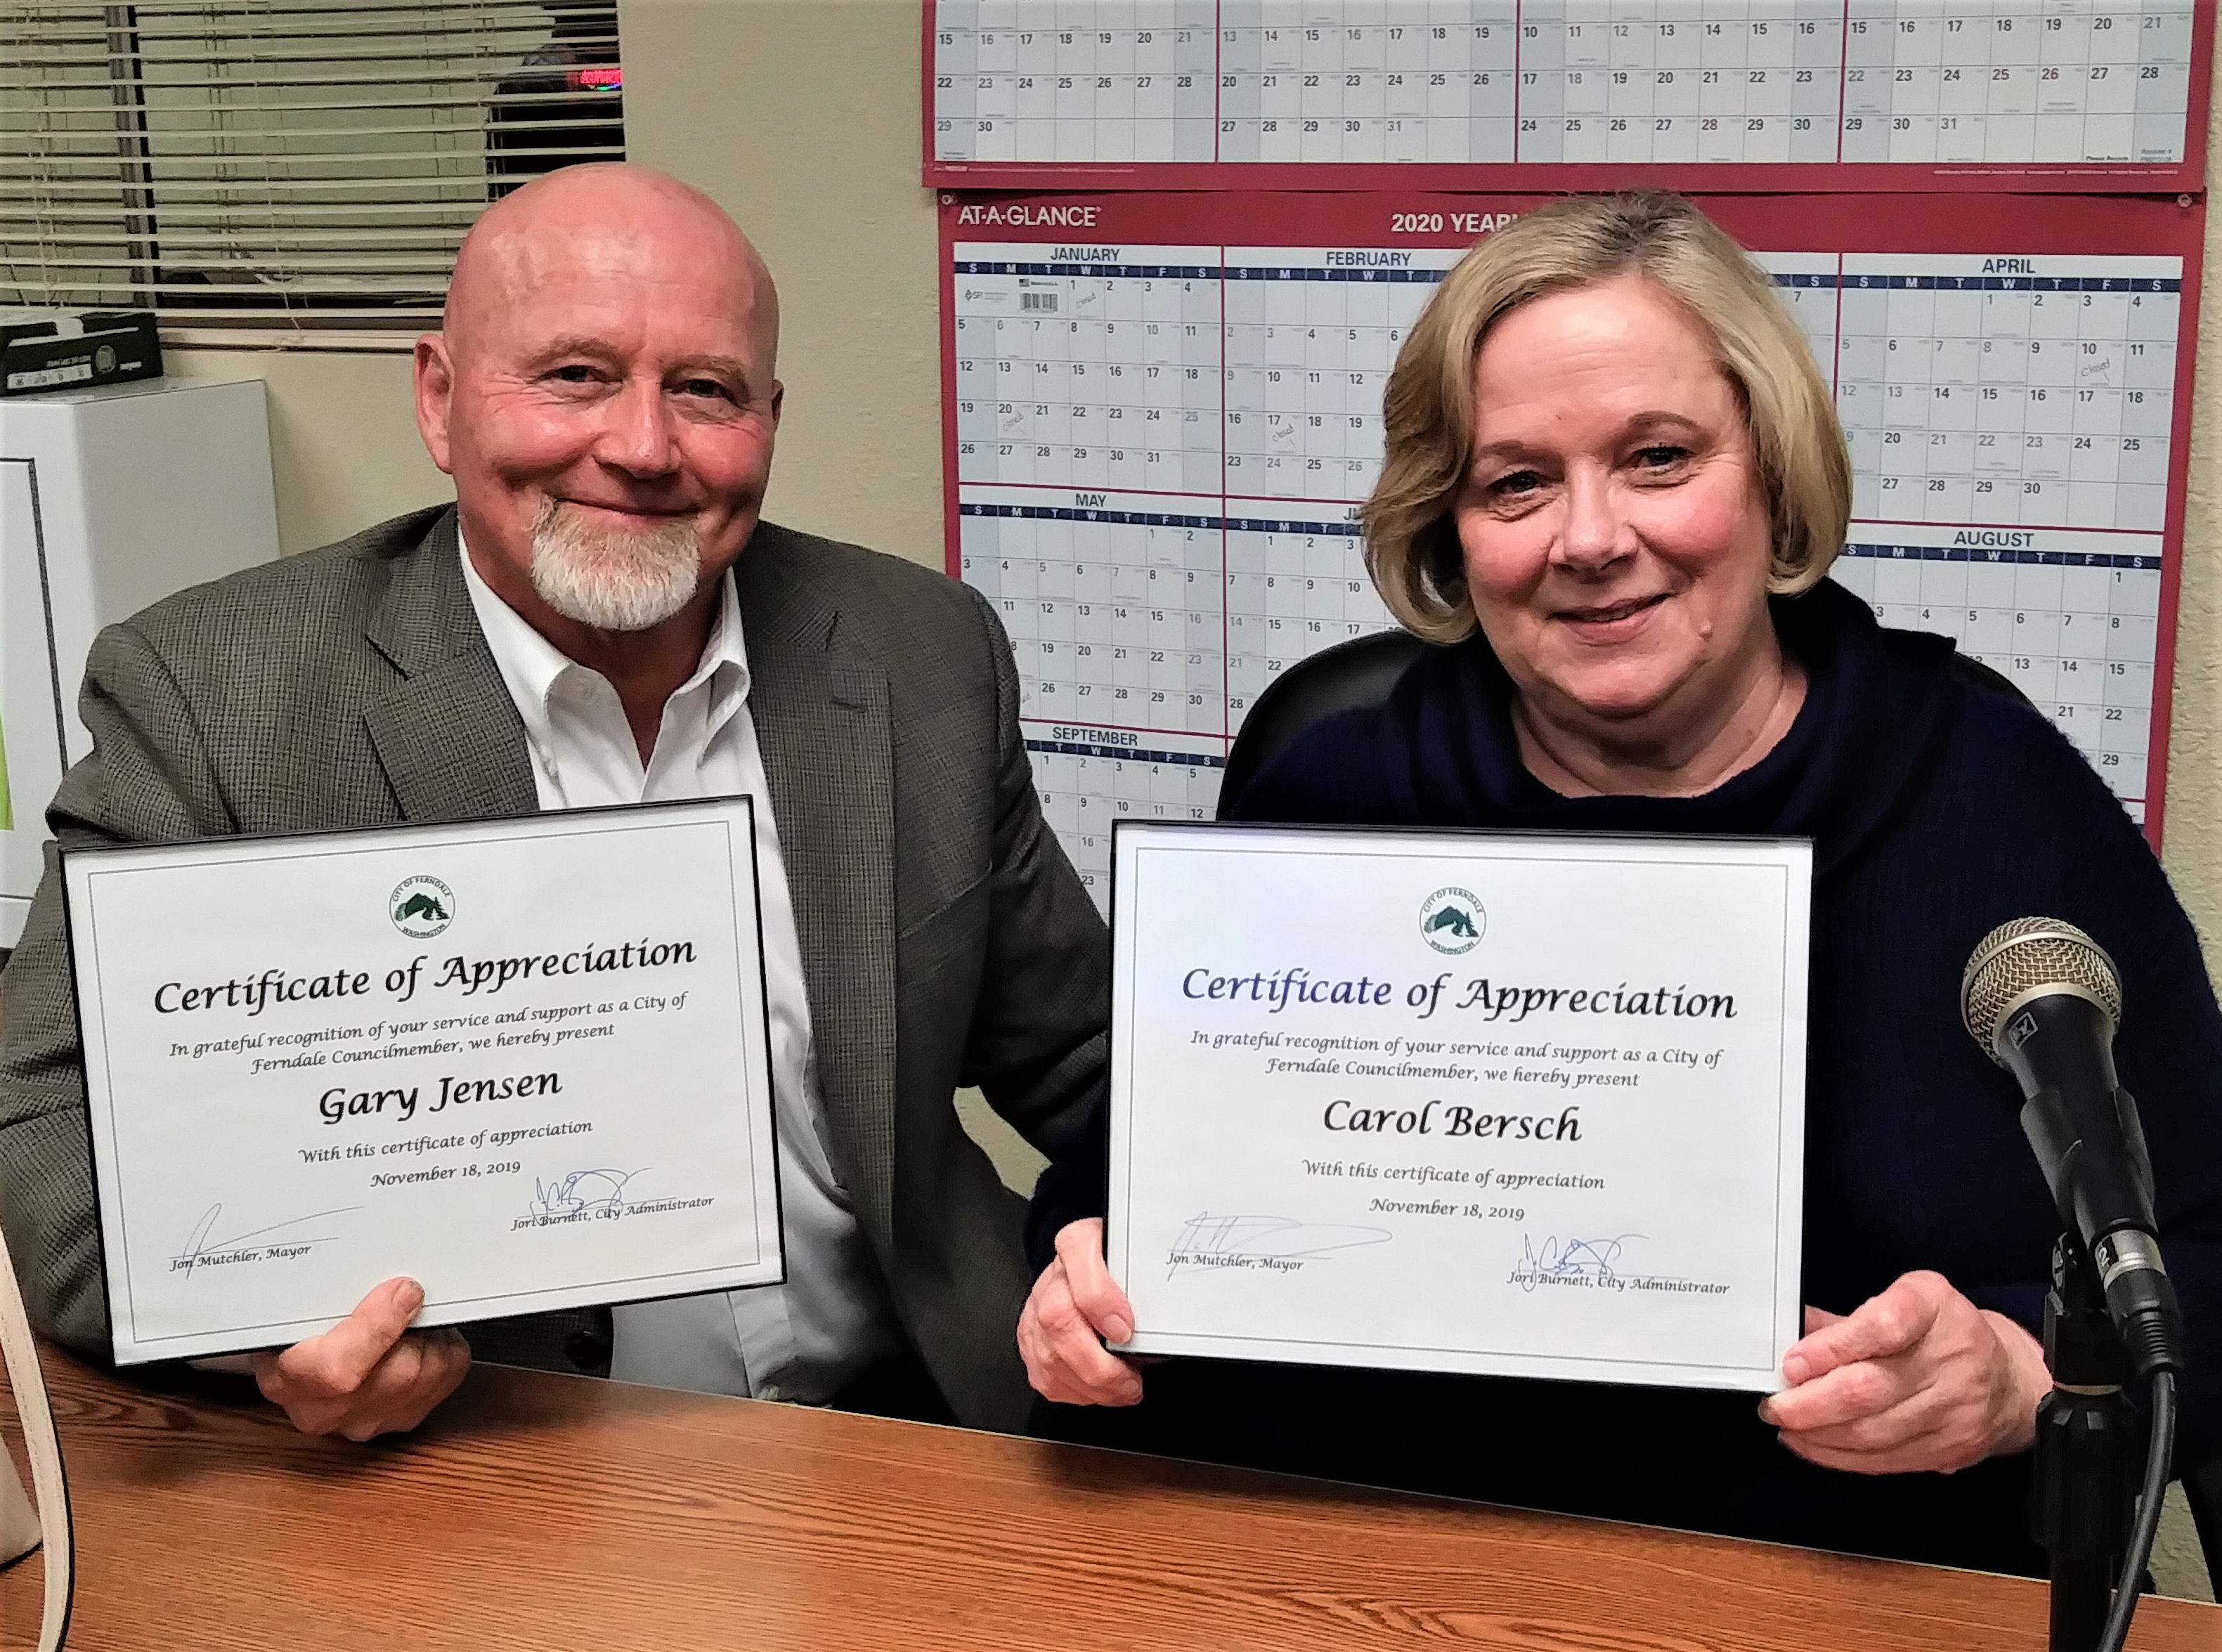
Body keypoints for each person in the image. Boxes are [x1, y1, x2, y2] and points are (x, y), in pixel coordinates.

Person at [1017, 191, 2221, 1575]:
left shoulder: (1993, 801)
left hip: (1834, 1583)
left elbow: (2200, 1250)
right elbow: (1112, 1194)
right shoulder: (1333, 795)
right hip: (1356, 1562)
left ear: (1770, 474)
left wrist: (2015, 1376)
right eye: (1516, 480)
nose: (1589, 537)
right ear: (1452, 527)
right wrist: (1079, 1280)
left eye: (1657, 457)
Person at [0, 163, 1108, 1442]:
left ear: (769, 415)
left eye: (703, 389)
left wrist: (1144, 1231)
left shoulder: (919, 652)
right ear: (440, 397)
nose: (642, 448)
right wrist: (265, 1330)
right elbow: (50, 1128)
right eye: (575, 374)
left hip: (906, 1424)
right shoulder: (213, 695)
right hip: (484, 1446)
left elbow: (1080, 1054)